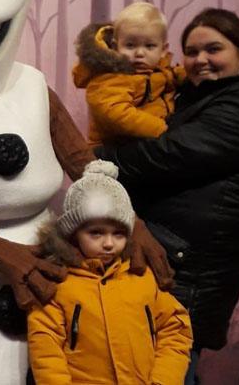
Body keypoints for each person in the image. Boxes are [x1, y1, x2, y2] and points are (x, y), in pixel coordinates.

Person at [96, 8, 239, 384]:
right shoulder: (202, 99)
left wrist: (95, 160)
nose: (199, 60)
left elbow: (168, 155)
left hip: (185, 270)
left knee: (166, 369)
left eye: (213, 49)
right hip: (173, 264)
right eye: (191, 52)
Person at [28, 160, 192, 385]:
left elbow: (175, 328)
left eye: (118, 233)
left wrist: (164, 380)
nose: (108, 243)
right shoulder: (58, 284)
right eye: (96, 233)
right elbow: (46, 348)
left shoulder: (142, 277)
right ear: (74, 233)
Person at [72, 2, 186, 146]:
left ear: (163, 50)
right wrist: (162, 129)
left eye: (149, 46)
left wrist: (188, 74)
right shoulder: (111, 76)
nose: (139, 53)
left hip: (145, 142)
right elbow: (115, 113)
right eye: (130, 45)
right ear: (115, 47)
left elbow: (172, 75)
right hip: (111, 150)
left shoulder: (158, 70)